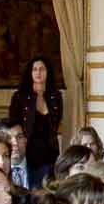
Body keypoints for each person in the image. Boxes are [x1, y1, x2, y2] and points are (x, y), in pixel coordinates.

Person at [8, 57, 64, 188]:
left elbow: (56, 123)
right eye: (35, 69)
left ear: (47, 72)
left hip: (49, 152)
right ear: (30, 73)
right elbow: (13, 124)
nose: (38, 73)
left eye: (42, 69)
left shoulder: (56, 96)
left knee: (46, 188)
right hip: (27, 151)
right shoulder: (20, 97)